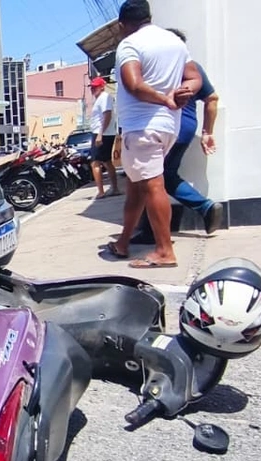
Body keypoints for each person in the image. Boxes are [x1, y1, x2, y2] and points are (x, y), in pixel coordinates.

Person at [106, 0, 203, 269]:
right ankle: (123, 242)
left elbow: (134, 85)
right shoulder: (174, 42)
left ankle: (164, 251)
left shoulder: (130, 44)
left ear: (122, 24)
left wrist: (165, 99)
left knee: (152, 186)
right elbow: (194, 78)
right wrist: (184, 91)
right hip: (168, 127)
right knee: (136, 187)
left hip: (143, 126)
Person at [129, 28, 225, 244]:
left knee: (150, 178)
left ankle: (155, 232)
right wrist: (207, 132)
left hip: (164, 126)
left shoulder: (157, 68)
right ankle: (204, 209)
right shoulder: (193, 69)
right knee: (165, 175)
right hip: (186, 128)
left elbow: (137, 91)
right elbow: (212, 99)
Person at [88, 77, 121, 198]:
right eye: (92, 87)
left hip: (102, 133)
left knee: (95, 162)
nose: (93, 89)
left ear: (102, 87)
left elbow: (107, 115)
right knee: (106, 161)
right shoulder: (100, 99)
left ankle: (101, 192)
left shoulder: (104, 98)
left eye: (95, 87)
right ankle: (115, 189)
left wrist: (100, 134)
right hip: (104, 132)